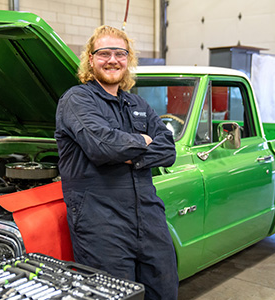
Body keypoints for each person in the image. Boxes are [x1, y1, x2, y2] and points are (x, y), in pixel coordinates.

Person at [55, 25, 178, 299]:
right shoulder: (77, 99)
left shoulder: (137, 103)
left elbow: (168, 150)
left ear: (129, 59)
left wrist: (128, 155)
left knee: (165, 289)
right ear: (90, 59)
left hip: (149, 216)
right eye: (104, 53)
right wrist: (144, 141)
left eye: (120, 53)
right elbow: (103, 147)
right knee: (114, 295)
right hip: (101, 222)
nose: (113, 60)